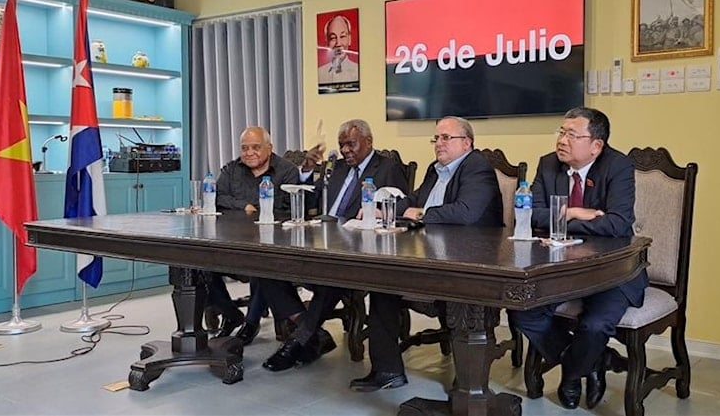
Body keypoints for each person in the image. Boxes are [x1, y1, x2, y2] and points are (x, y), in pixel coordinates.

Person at [349, 116, 503, 392]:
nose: (439, 144)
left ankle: (469, 381)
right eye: (436, 138)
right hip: (430, 254)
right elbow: (415, 199)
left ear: (466, 143)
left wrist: (419, 214)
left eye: (446, 138)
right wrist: (386, 209)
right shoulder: (436, 169)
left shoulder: (477, 167)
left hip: (469, 261)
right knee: (382, 283)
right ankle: (387, 371)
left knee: (451, 299)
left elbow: (466, 213)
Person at [508, 107, 645, 410]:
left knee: (595, 326)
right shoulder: (548, 165)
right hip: (559, 269)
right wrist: (572, 212)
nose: (562, 140)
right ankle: (594, 361)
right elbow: (531, 215)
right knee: (522, 312)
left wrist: (560, 220)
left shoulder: (618, 166)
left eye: (572, 134)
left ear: (596, 145)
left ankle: (571, 374)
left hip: (613, 271)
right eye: (561, 131)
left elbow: (618, 224)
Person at [261, 119, 409, 371]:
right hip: (321, 237)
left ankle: (297, 341)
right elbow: (313, 194)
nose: (346, 151)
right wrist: (307, 169)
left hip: (358, 248)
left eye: (351, 144)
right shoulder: (336, 167)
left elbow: (400, 205)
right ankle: (312, 332)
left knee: (331, 276)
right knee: (267, 266)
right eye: (342, 145)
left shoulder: (387, 168)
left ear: (369, 142)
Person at [205, 126, 300, 346]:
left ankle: (251, 323)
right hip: (231, 242)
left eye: (256, 148)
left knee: (260, 263)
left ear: (269, 148)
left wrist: (252, 207)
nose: (249, 153)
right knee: (198, 265)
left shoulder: (287, 171)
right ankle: (231, 315)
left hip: (272, 244)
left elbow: (285, 207)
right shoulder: (231, 170)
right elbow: (217, 196)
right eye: (244, 148)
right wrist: (244, 205)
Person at [317, 14, 359, 84]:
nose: (338, 43)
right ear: (327, 41)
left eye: (342, 36)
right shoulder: (319, 73)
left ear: (349, 39)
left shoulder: (358, 71)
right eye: (333, 38)